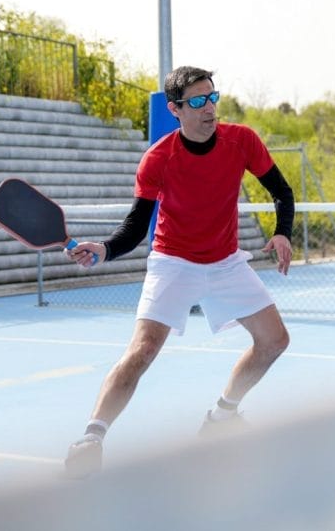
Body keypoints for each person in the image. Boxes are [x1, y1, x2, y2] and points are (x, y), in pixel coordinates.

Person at [63, 66, 294, 479]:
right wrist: (105, 248)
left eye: (213, 97)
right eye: (198, 101)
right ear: (175, 109)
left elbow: (281, 190)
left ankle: (223, 416)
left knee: (275, 340)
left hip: (224, 260)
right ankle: (91, 438)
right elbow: (136, 227)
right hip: (174, 261)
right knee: (143, 349)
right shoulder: (158, 159)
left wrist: (282, 233)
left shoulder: (241, 141)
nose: (210, 108)